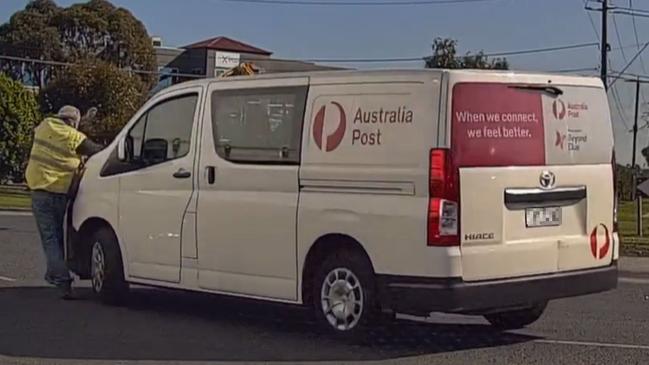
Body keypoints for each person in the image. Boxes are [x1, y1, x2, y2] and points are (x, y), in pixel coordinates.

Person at [25, 105, 103, 299]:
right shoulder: (74, 138)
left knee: (50, 238)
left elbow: (58, 135)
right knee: (57, 237)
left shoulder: (43, 126)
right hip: (60, 193)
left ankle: (59, 278)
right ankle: (58, 275)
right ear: (73, 123)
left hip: (39, 192)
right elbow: (97, 150)